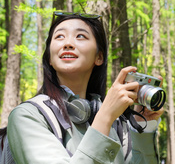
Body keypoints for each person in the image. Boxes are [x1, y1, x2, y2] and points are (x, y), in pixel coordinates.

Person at [6, 12, 164, 164]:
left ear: (99, 57)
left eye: (80, 36)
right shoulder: (28, 116)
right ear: (49, 58)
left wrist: (142, 129)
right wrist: (105, 116)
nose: (67, 43)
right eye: (59, 36)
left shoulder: (116, 124)